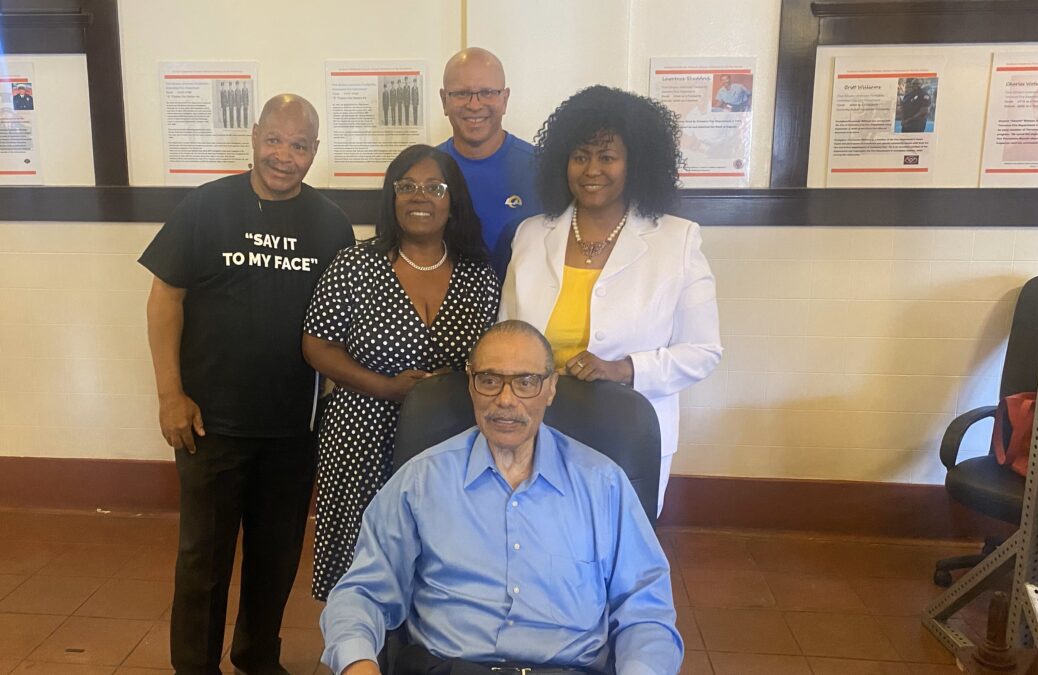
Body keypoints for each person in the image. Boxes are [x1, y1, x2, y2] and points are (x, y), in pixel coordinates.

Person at [320, 320, 682, 675]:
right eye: (490, 380)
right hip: (450, 667)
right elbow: (362, 592)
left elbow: (646, 613)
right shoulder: (421, 480)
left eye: (526, 382)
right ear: (472, 385)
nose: (506, 400)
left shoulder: (603, 485)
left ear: (551, 388)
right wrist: (358, 664)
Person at [140, 94, 355, 675]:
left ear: (314, 151)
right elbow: (166, 300)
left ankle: (257, 657)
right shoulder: (206, 207)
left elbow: (341, 323)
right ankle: (195, 667)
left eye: (300, 145)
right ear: (255, 135)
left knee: (275, 560)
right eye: (275, 140)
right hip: (210, 426)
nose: (284, 156)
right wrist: (169, 395)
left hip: (294, 429)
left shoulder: (331, 226)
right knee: (202, 564)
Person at [500, 85, 723, 515]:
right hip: (537, 430)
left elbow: (703, 352)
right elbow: (505, 331)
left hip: (627, 437)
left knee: (615, 556)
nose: (591, 170)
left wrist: (624, 369)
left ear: (634, 162)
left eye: (607, 157)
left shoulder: (676, 240)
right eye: (580, 156)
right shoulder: (530, 234)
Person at [302, 143, 500, 602]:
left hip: (448, 440)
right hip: (361, 435)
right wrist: (388, 388)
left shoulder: (478, 275)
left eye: (434, 187)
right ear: (391, 197)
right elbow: (315, 345)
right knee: (362, 555)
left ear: (453, 203)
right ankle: (360, 655)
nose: (419, 196)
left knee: (440, 555)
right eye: (406, 186)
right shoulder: (355, 264)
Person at [437, 47, 542, 278]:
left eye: (487, 92)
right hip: (442, 312)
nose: (474, 105)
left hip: (520, 311)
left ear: (504, 99)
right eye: (461, 93)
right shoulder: (426, 174)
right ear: (444, 100)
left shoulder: (542, 170)